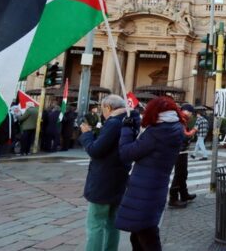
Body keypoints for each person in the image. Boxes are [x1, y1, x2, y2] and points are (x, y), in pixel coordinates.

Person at [115, 96, 184, 250]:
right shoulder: (175, 128)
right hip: (156, 186)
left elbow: (126, 153)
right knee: (138, 234)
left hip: (144, 190)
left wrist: (126, 130)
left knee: (147, 235)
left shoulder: (155, 133)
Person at [78, 95, 131, 251]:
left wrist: (86, 134)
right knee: (112, 222)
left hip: (104, 179)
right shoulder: (128, 121)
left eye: (103, 109)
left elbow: (96, 150)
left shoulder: (113, 123)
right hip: (119, 177)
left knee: (95, 223)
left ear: (108, 107)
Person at [168, 103, 197, 208]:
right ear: (186, 111)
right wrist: (194, 131)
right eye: (190, 113)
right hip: (179, 151)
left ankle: (184, 194)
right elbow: (184, 136)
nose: (191, 115)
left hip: (182, 150)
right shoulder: (180, 121)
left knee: (183, 173)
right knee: (179, 173)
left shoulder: (182, 120)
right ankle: (173, 198)